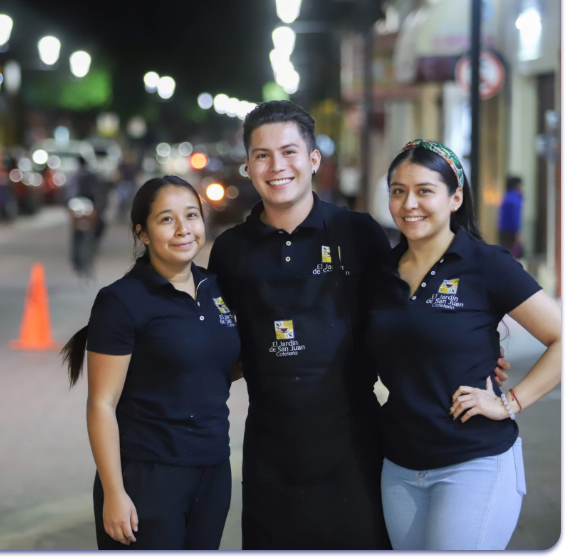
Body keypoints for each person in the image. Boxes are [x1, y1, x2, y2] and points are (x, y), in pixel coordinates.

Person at [207, 101, 510, 550]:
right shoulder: (231, 250)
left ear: (313, 159)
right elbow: (218, 344)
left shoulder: (357, 232)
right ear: (248, 166)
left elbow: (406, 312)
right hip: (270, 456)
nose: (277, 166)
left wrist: (468, 356)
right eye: (262, 155)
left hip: (355, 447)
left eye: (289, 152)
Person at [365, 140, 561, 550]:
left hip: (473, 461)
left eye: (424, 190)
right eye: (398, 191)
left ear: (455, 198)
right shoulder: (380, 273)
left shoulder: (485, 264)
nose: (409, 203)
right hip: (400, 465)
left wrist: (510, 403)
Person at [61, 176, 241, 550]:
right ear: (142, 233)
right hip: (148, 475)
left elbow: (215, 368)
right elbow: (101, 404)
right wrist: (114, 492)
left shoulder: (215, 289)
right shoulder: (122, 300)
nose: (183, 229)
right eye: (166, 219)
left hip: (212, 470)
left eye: (191, 215)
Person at [498, 176, 524, 258]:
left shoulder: (505, 196)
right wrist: (517, 232)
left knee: (506, 254)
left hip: (502, 229)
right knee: (515, 254)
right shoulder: (515, 199)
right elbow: (515, 217)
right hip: (511, 231)